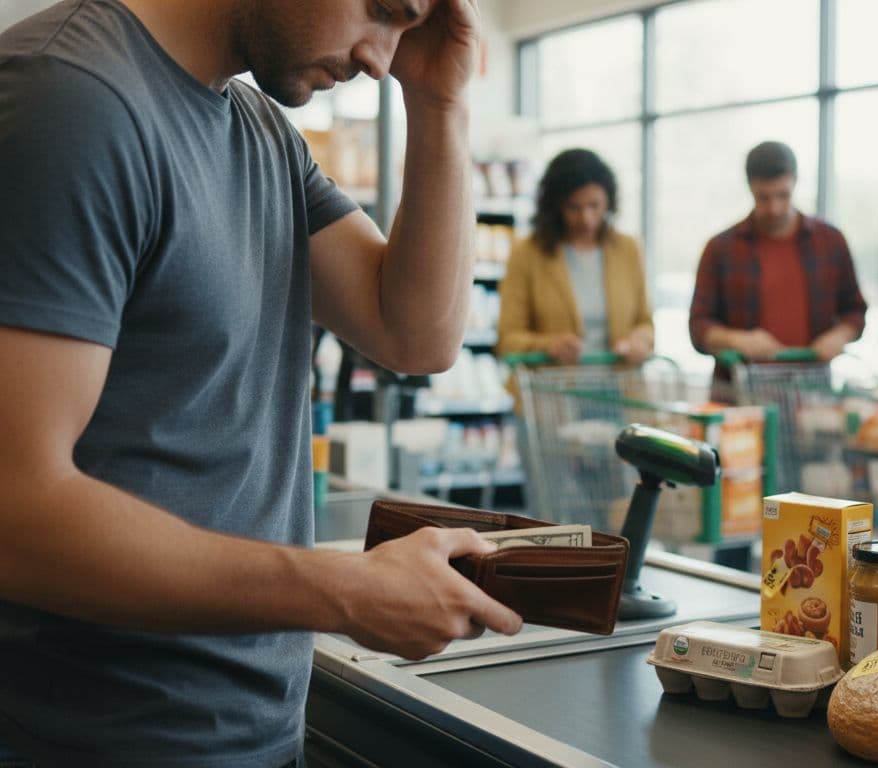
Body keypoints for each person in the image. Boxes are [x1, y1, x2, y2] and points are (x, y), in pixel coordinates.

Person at [0, 1, 523, 766]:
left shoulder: (258, 131)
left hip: (245, 732)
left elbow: (417, 334)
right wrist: (344, 591)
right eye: (383, 10)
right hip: (92, 738)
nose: (381, 59)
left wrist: (439, 104)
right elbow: (15, 513)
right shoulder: (73, 98)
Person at [689, 140, 867, 389]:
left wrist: (840, 336)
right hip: (740, 393)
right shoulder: (721, 248)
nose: (774, 208)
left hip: (812, 390)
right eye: (763, 197)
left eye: (783, 195)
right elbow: (698, 326)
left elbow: (855, 310)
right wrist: (737, 340)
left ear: (795, 181)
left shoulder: (831, 242)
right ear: (750, 187)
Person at [496, 148, 654, 367]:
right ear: (555, 206)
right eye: (574, 207)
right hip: (550, 393)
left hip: (620, 391)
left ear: (609, 200)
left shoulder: (629, 249)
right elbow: (508, 340)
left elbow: (645, 324)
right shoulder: (527, 253)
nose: (586, 219)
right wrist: (548, 345)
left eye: (594, 205)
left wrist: (640, 340)